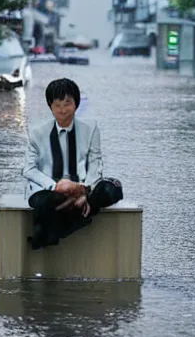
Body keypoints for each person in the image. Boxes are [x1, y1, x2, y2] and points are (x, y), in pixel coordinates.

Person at [22, 78, 123, 249]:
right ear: (50, 106)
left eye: (67, 104)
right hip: (53, 189)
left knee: (112, 189)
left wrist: (84, 190)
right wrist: (56, 186)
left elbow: (95, 163)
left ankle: (81, 208)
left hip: (82, 187)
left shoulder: (90, 129)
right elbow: (29, 169)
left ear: (76, 104)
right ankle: (66, 226)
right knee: (42, 202)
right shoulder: (37, 133)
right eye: (57, 105)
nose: (63, 110)